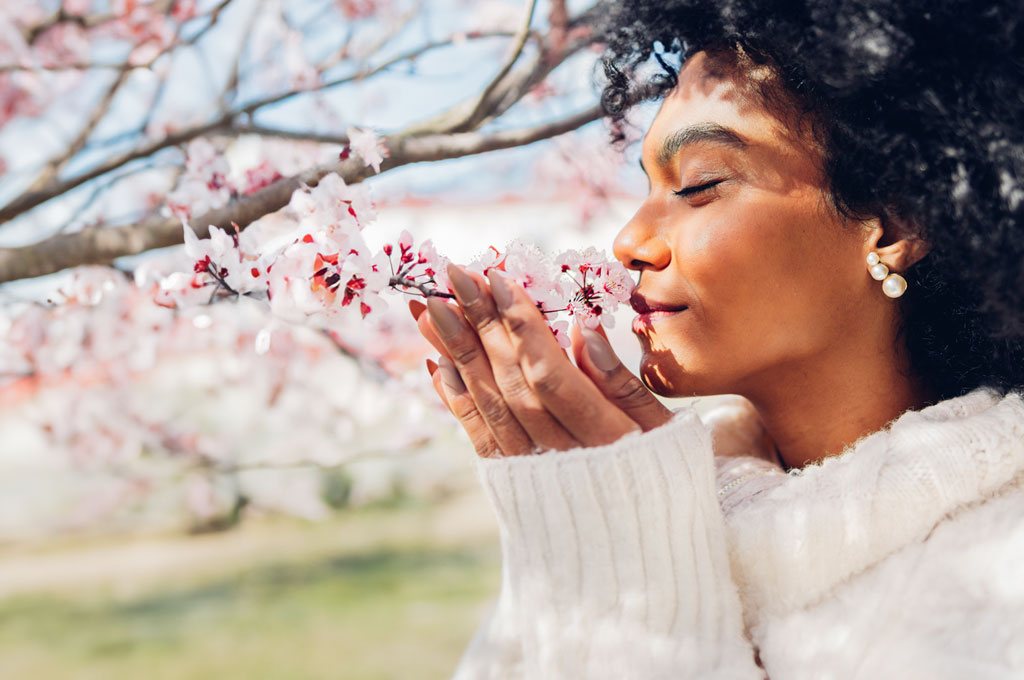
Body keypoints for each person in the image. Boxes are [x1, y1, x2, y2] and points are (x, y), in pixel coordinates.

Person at [410, 1, 1024, 677]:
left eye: (700, 183)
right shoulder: (629, 494)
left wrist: (630, 597)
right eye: (645, 185)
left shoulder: (1000, 573)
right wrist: (599, 540)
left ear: (893, 222)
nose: (627, 241)